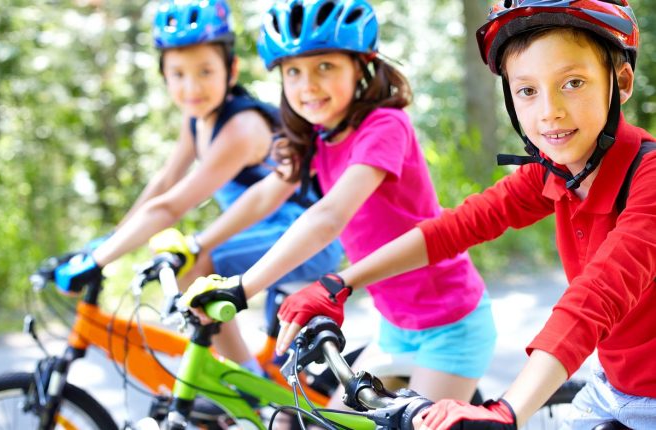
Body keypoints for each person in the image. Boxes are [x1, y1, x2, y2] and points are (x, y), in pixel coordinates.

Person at [266, 1, 656, 429]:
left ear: (620, 82)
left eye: (573, 82)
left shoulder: (649, 179)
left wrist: (506, 410)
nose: (549, 112)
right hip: (612, 389)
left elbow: (596, 297)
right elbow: (454, 228)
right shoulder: (556, 171)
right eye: (527, 90)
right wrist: (340, 282)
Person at [176, 0, 497, 405]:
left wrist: (245, 286)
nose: (307, 85)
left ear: (361, 65)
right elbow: (264, 195)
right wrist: (198, 245)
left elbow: (329, 216)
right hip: (395, 325)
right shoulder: (319, 135)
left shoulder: (385, 125)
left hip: (450, 326)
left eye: (324, 67)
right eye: (293, 71)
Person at [52, 0, 342, 377]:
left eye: (206, 71)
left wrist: (101, 260)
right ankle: (243, 380)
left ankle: (241, 381)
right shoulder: (197, 119)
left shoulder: (239, 127)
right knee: (281, 372)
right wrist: (107, 241)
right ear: (164, 75)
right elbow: (164, 183)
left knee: (199, 263)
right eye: (178, 74)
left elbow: (172, 206)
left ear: (231, 69)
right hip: (262, 236)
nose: (192, 87)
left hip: (305, 239)